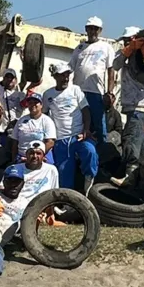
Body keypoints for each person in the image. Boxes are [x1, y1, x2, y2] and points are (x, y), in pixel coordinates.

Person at [109, 27, 144, 186]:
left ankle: (130, 175)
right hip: (133, 106)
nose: (126, 43)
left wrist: (142, 50)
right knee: (139, 142)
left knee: (131, 139)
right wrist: (130, 49)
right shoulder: (125, 54)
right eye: (125, 41)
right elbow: (115, 65)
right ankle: (142, 179)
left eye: (129, 40)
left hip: (141, 105)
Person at [42, 61, 98, 192]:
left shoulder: (76, 90)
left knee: (90, 152)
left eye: (67, 74)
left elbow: (85, 111)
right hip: (60, 139)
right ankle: (66, 203)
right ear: (55, 76)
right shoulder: (47, 94)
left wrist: (86, 130)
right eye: (62, 75)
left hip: (78, 136)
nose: (66, 78)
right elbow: (44, 116)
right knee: (63, 172)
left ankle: (88, 185)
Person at [68, 16, 112, 142]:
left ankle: (102, 153)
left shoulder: (106, 47)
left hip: (96, 92)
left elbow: (111, 70)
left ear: (100, 31)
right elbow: (70, 67)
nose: (92, 31)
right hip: (78, 92)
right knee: (78, 122)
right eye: (90, 28)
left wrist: (109, 92)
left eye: (95, 29)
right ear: (86, 29)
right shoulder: (79, 48)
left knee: (98, 124)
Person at [11, 94, 56, 162]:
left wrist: (36, 156)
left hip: (42, 156)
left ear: (41, 105)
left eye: (35, 103)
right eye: (30, 103)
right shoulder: (21, 120)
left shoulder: (47, 120)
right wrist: (14, 159)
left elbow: (50, 142)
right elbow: (15, 141)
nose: (32, 105)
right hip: (22, 157)